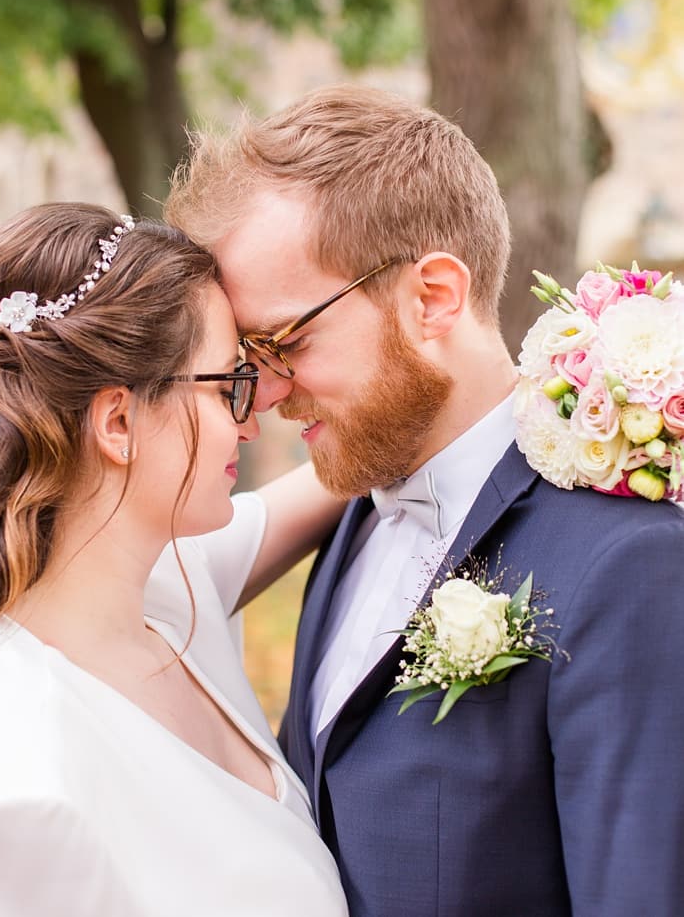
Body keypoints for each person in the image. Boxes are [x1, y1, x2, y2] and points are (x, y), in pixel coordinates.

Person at [166, 84, 684, 915]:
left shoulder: (630, 566)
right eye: (248, 356)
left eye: (285, 341)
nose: (263, 395)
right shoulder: (350, 520)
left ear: (433, 296)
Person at [0, 203, 349, 916]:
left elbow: (342, 475)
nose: (252, 418)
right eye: (231, 386)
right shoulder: (19, 788)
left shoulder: (167, 584)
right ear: (120, 423)